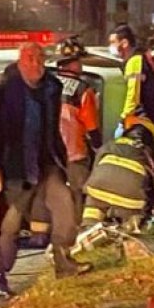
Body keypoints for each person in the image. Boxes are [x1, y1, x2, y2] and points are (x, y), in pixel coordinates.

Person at [0, 43, 91, 300]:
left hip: (46, 162)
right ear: (21, 60)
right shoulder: (6, 90)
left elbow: (52, 128)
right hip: (16, 168)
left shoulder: (52, 88)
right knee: (9, 224)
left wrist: (61, 159)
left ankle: (64, 262)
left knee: (64, 207)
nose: (36, 64)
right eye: (30, 58)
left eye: (40, 58)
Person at [55, 37, 102, 224]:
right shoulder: (83, 90)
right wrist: (98, 147)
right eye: (79, 61)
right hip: (74, 152)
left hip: (50, 152)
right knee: (79, 193)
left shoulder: (47, 84)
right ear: (73, 63)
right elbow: (91, 125)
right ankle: (77, 230)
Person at [81, 116, 154, 229]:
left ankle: (88, 230)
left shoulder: (110, 144)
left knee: (93, 209)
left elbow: (96, 167)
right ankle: (127, 231)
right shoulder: (148, 153)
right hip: (130, 199)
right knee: (131, 221)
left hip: (98, 189)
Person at [108, 24, 154, 140]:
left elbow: (133, 94)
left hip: (143, 122)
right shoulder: (140, 58)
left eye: (113, 42)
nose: (110, 46)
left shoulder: (134, 62)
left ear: (124, 43)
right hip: (153, 119)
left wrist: (124, 118)